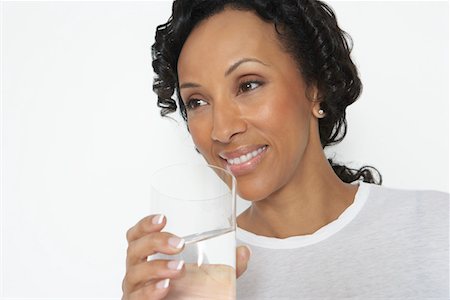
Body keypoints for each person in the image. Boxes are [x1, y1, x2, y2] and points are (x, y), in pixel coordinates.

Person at [122, 0, 449, 299]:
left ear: (315, 85)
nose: (221, 130)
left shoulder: (435, 227)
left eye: (248, 85)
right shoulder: (188, 276)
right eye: (197, 102)